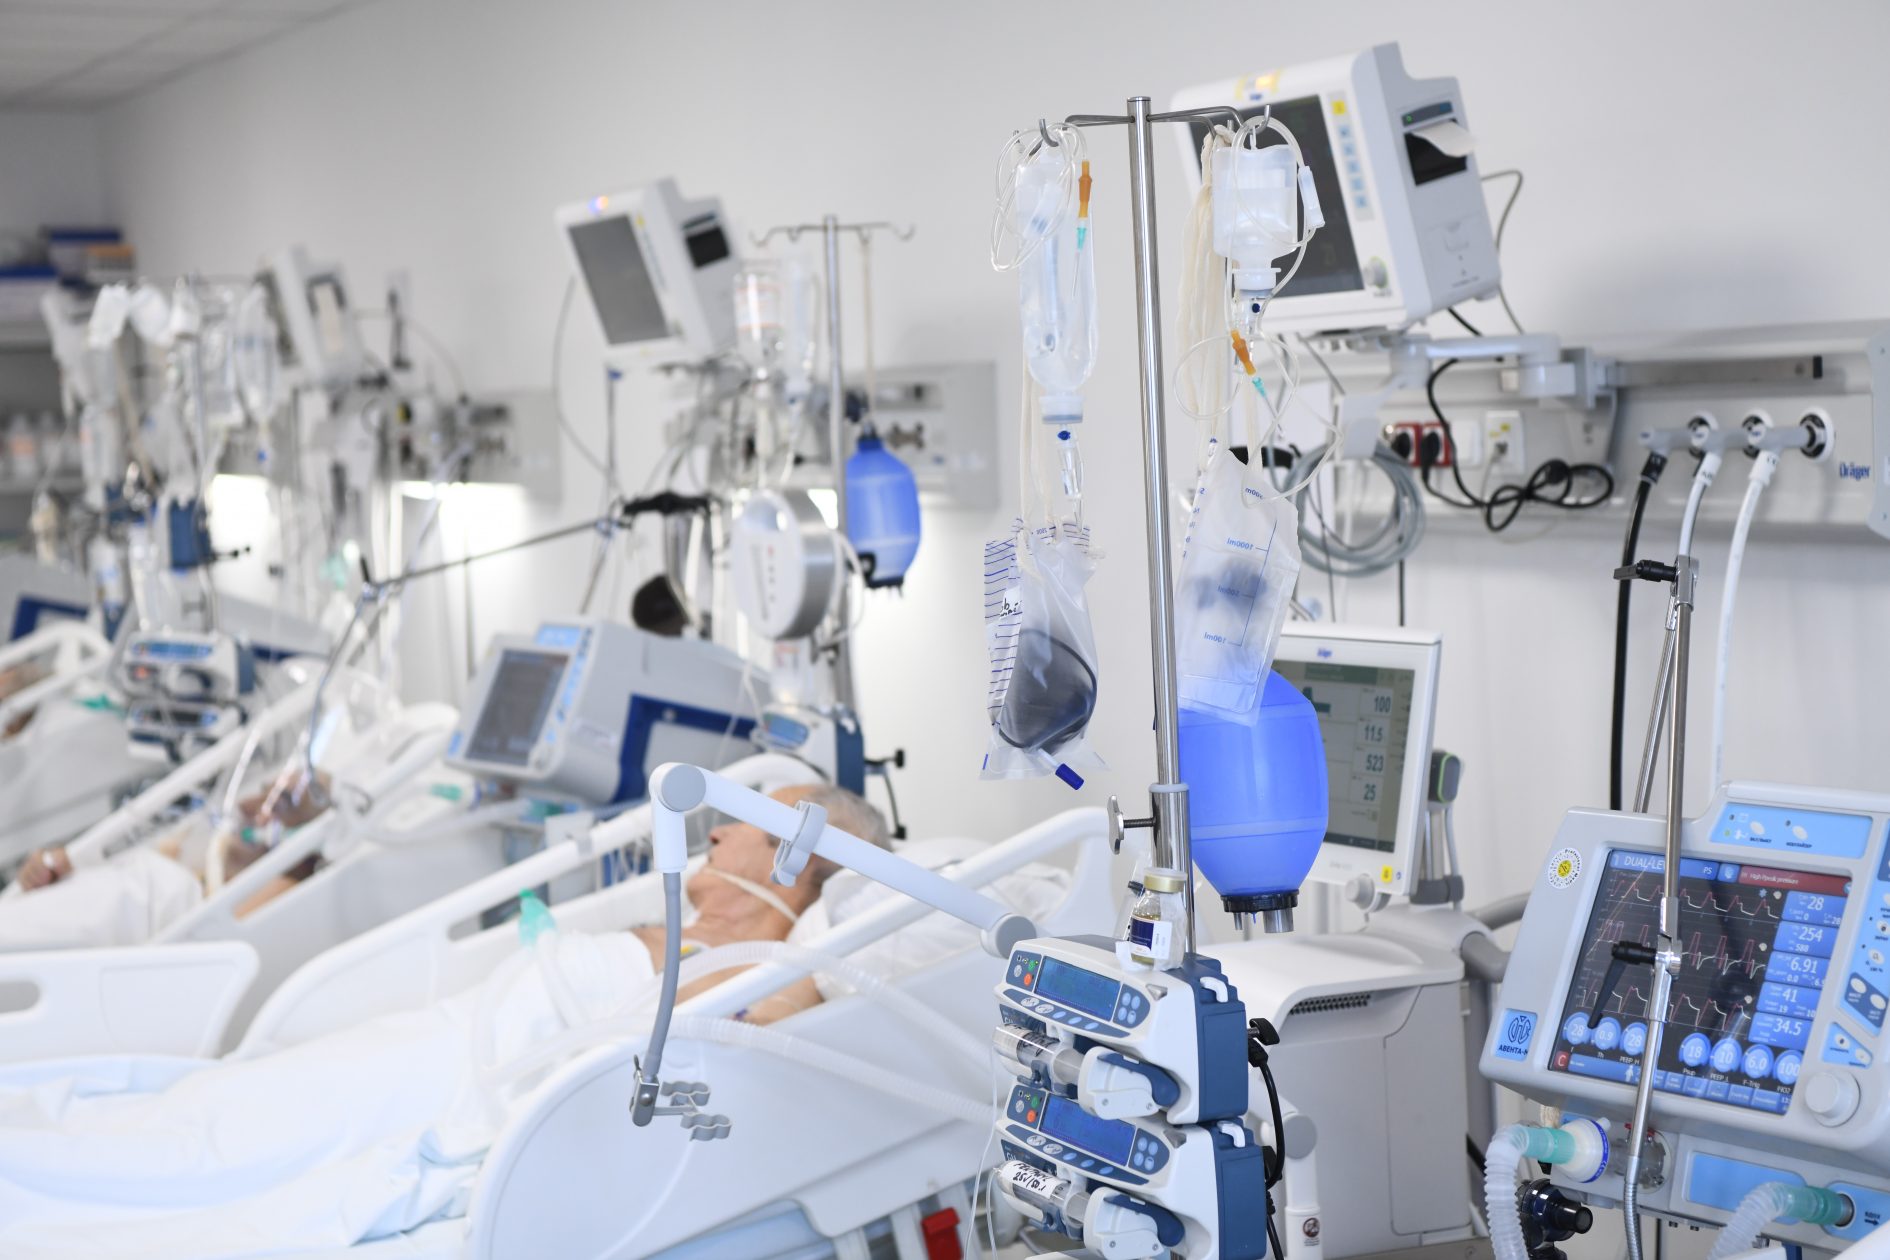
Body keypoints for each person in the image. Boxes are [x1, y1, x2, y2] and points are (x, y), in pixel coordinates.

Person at [0, 783, 898, 1260]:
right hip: (428, 1044)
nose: (717, 830)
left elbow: (764, 1029)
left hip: (453, 1089)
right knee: (205, 1112)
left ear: (795, 862)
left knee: (211, 1152)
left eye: (749, 823)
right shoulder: (686, 926)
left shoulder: (760, 966)